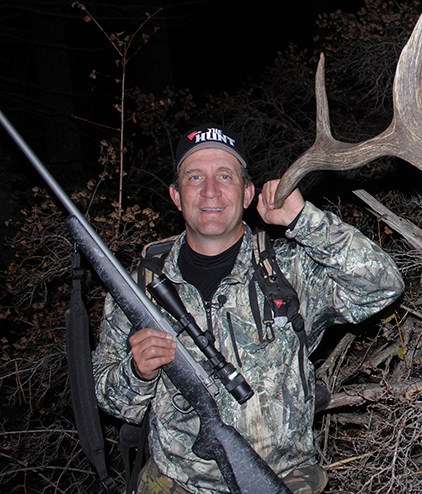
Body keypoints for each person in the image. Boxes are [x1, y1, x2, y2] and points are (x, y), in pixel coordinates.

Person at [92, 124, 405, 493]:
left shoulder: (288, 270)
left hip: (282, 481)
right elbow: (108, 397)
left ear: (247, 193)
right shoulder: (138, 287)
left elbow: (383, 285)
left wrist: (303, 221)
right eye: (195, 177)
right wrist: (137, 371)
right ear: (176, 195)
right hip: (176, 483)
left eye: (225, 176)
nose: (210, 190)